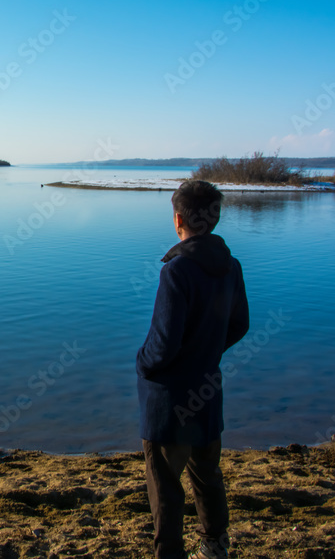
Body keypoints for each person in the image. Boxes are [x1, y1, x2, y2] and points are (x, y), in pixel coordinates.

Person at [136, 180, 249, 559]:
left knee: (165, 485)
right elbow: (240, 325)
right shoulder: (230, 266)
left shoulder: (178, 270)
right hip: (208, 391)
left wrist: (144, 364)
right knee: (207, 474)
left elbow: (163, 344)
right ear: (214, 218)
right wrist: (207, 352)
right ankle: (215, 546)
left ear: (178, 219)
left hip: (170, 399)